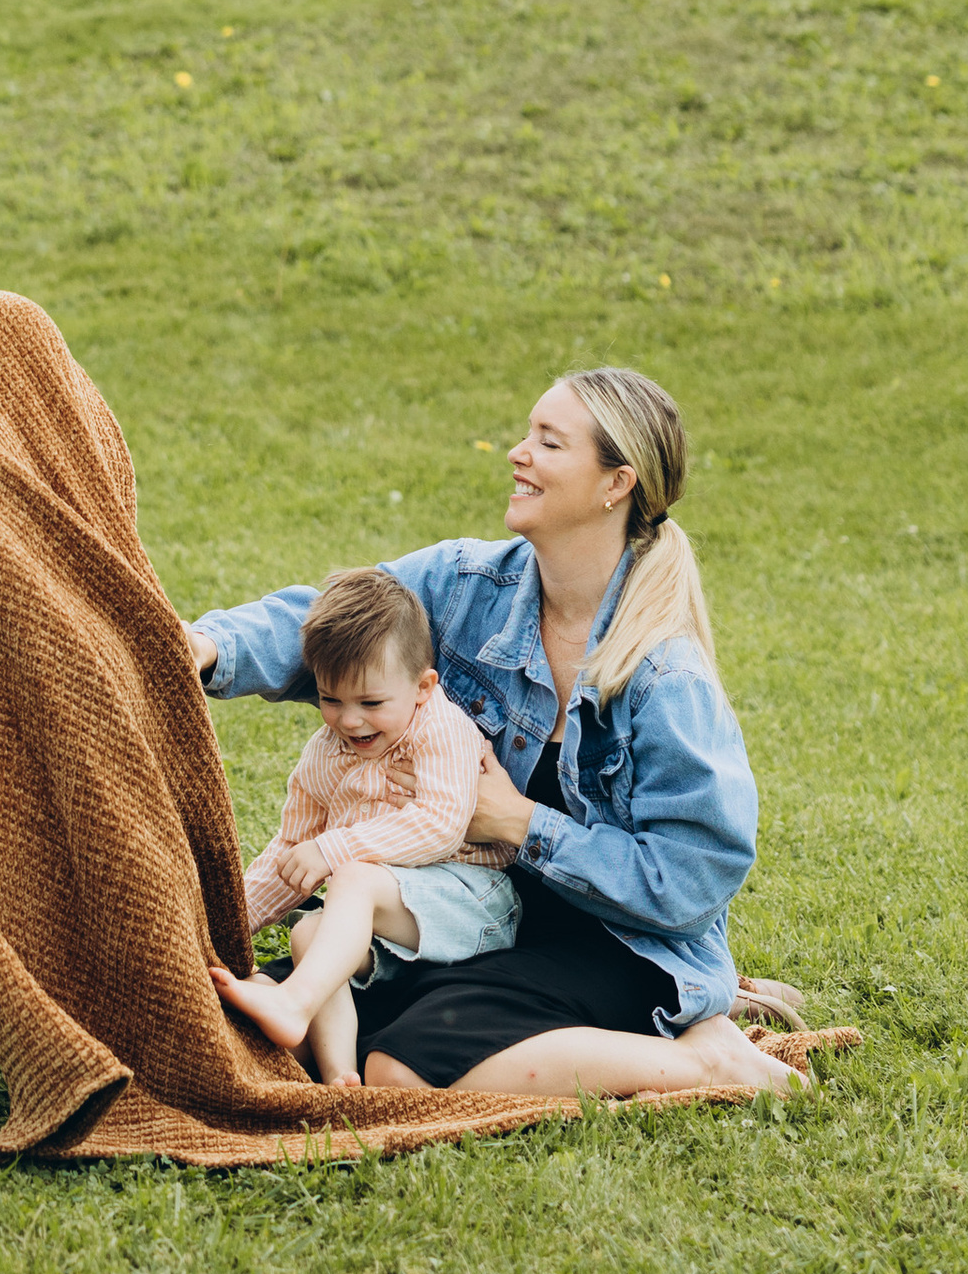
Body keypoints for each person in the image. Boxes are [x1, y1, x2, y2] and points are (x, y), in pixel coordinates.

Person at [185, 367, 800, 1100]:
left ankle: (710, 1059)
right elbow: (334, 619)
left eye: (549, 442)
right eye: (525, 434)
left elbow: (692, 881)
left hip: (623, 946)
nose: (518, 452)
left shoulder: (666, 679)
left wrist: (520, 821)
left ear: (616, 483)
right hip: (483, 914)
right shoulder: (465, 584)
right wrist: (205, 648)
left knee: (401, 1067)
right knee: (258, 1014)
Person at [208, 566, 517, 1083]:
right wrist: (221, 928)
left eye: (371, 703)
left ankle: (292, 1003)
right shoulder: (325, 754)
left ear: (423, 687)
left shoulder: (441, 731)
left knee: (350, 876)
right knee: (310, 932)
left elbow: (440, 823)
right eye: (331, 700)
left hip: (473, 904)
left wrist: (334, 850)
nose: (350, 721)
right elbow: (290, 850)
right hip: (390, 931)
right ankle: (340, 1078)